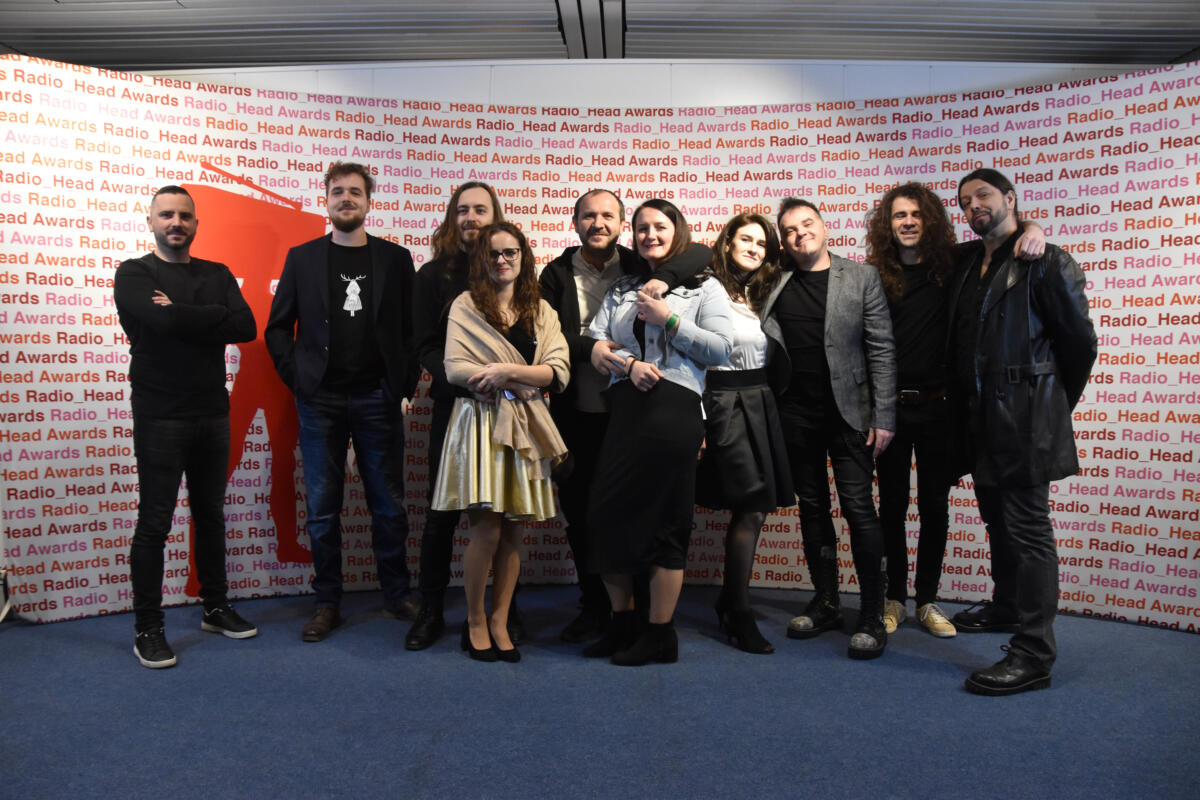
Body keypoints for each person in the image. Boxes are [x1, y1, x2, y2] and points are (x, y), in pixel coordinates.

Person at [865, 182, 1047, 640]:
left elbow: (1002, 235)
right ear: (887, 224)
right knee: (891, 508)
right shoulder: (873, 275)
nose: (908, 222)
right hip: (889, 411)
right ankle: (893, 598)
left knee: (934, 507)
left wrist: (1033, 227)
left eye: (916, 214)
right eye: (899, 215)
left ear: (930, 220)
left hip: (941, 410)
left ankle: (927, 600)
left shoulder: (956, 263)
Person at [539, 188, 711, 643]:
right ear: (575, 223)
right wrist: (591, 347)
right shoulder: (555, 273)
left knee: (640, 514)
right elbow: (546, 335)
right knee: (585, 513)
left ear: (621, 226)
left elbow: (701, 252)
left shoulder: (640, 265)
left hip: (634, 411)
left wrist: (662, 280)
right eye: (588, 216)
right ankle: (596, 607)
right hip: (579, 408)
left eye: (607, 216)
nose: (597, 223)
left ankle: (640, 618)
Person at [948, 168, 1096, 695]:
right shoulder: (966, 261)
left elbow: (1079, 345)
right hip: (979, 420)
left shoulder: (1047, 261)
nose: (974, 205)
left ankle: (1034, 654)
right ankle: (1008, 606)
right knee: (997, 522)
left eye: (984, 195)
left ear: (1010, 198)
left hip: (1026, 420)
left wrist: (1047, 404)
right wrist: (1031, 226)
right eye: (965, 201)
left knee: (1030, 532)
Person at [265, 161, 419, 642]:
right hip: (320, 401)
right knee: (322, 508)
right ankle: (327, 601)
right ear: (326, 200)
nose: (346, 198)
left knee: (389, 505)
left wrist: (403, 386)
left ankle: (396, 593)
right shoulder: (303, 258)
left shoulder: (396, 259)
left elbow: (412, 330)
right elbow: (277, 328)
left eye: (355, 191)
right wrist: (300, 379)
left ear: (369, 201)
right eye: (338, 191)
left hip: (378, 397)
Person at [584, 198, 733, 666]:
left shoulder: (706, 287)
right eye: (643, 227)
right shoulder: (622, 287)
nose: (650, 234)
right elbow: (598, 339)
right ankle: (623, 625)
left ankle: (659, 635)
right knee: (606, 516)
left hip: (675, 408)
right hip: (625, 407)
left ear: (677, 230)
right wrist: (625, 362)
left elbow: (721, 349)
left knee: (667, 522)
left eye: (660, 226)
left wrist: (669, 319)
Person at [114, 185, 258, 668]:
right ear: (151, 222)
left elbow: (244, 326)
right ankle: (148, 628)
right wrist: (210, 315)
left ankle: (215, 607)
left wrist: (177, 311)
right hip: (159, 414)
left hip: (212, 411)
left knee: (210, 515)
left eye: (184, 215)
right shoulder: (133, 273)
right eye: (166, 215)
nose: (176, 222)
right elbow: (158, 325)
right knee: (154, 523)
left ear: (196, 223)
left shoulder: (216, 273)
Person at [760, 198, 896, 660]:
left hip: (850, 414)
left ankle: (872, 613)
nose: (801, 234)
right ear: (783, 241)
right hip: (795, 415)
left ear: (823, 226)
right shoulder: (773, 280)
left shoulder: (861, 277)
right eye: (790, 230)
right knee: (813, 508)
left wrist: (884, 416)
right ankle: (826, 602)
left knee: (859, 510)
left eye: (808, 224)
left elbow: (881, 348)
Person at [430, 222, 570, 662]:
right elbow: (454, 368)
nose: (502, 260)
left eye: (510, 253)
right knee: (486, 530)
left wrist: (507, 373)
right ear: (482, 261)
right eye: (493, 254)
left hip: (526, 426)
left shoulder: (541, 310)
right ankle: (475, 620)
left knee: (514, 532)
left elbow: (558, 370)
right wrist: (518, 379)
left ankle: (499, 619)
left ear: (524, 258)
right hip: (479, 423)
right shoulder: (466, 304)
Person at [405, 181, 507, 651]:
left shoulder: (509, 268)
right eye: (463, 210)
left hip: (507, 406)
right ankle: (430, 610)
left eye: (480, 210)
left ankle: (502, 611)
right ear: (452, 218)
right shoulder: (431, 276)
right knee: (441, 513)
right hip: (453, 404)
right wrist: (463, 381)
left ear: (494, 216)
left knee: (500, 513)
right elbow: (423, 344)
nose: (471, 218)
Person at [695, 213, 794, 654]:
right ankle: (738, 610)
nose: (753, 248)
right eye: (746, 239)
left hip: (761, 401)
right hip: (722, 402)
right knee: (750, 507)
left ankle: (729, 600)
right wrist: (699, 417)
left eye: (762, 243)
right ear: (728, 242)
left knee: (755, 509)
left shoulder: (764, 292)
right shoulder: (704, 286)